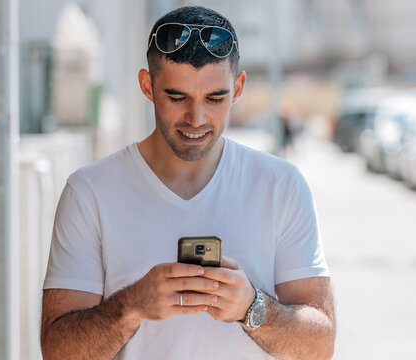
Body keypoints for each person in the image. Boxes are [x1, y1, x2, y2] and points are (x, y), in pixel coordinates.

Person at [40, 6, 335, 360]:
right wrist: (132, 306)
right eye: (177, 97)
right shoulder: (89, 192)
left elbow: (320, 348)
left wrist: (252, 307)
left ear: (238, 88)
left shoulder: (281, 186)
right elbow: (57, 352)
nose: (196, 119)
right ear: (147, 86)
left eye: (215, 98)